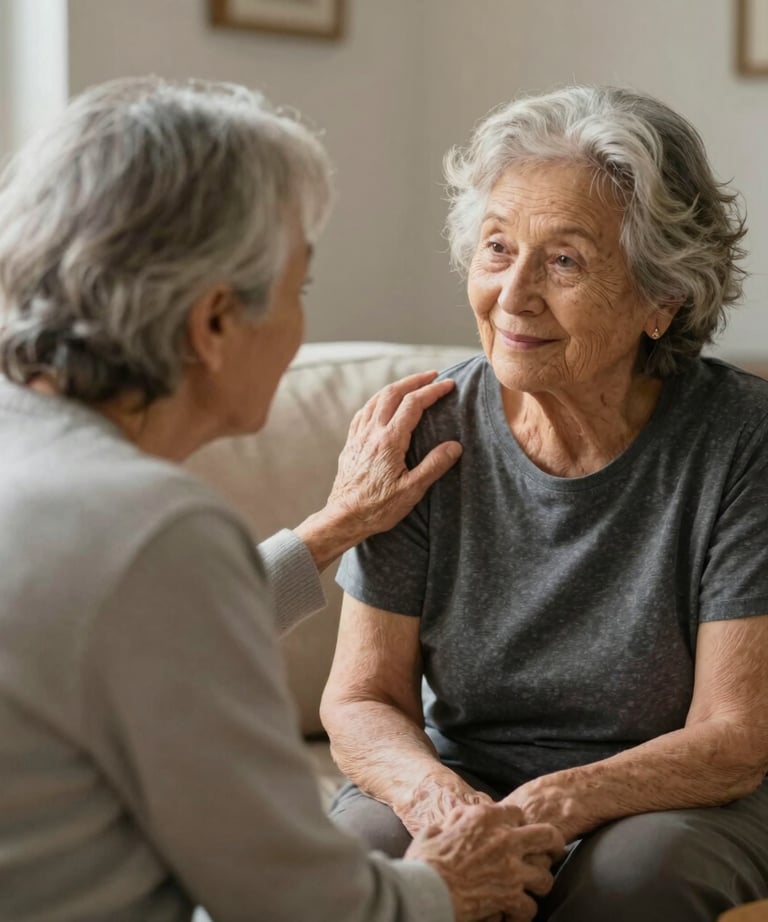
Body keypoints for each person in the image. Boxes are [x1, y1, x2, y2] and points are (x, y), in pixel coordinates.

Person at [0, 78, 564, 922]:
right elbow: (294, 903)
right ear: (215, 323)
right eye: (300, 286)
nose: (303, 318)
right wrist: (449, 883)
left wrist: (334, 528)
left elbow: (127, 626)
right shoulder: (153, 532)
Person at [321, 85, 768, 922]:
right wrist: (444, 808)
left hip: (672, 796)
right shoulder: (423, 431)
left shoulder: (744, 441)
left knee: (630, 882)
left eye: (564, 260)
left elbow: (733, 737)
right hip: (455, 776)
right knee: (346, 874)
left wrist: (543, 809)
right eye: (496, 248)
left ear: (661, 300)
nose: (513, 295)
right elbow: (359, 699)